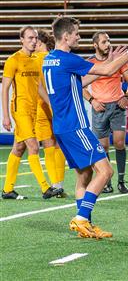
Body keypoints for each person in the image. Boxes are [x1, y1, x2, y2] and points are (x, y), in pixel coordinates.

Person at [42, 16, 128, 238]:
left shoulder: (49, 59)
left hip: (62, 127)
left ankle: (85, 225)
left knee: (84, 174)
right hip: (76, 126)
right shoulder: (66, 59)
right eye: (76, 34)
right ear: (66, 36)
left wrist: (113, 61)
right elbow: (108, 71)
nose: (78, 37)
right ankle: (81, 218)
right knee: (106, 171)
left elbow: (77, 83)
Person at [1, 26, 62, 200]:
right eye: (29, 38)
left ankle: (7, 190)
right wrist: (5, 115)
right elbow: (4, 89)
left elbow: (39, 87)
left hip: (33, 111)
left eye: (35, 38)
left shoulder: (36, 60)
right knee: (33, 146)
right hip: (20, 110)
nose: (33, 41)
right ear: (21, 39)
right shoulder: (13, 60)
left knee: (18, 148)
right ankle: (45, 188)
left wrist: (52, 106)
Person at [82, 31, 128, 194]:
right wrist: (92, 101)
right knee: (103, 146)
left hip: (117, 107)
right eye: (104, 42)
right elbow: (81, 85)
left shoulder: (118, 61)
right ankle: (106, 181)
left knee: (119, 142)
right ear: (95, 45)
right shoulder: (89, 63)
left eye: (109, 41)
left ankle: (121, 180)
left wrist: (126, 97)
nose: (108, 44)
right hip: (99, 108)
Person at [35, 29, 67, 197]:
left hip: (42, 107)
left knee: (48, 147)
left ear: (39, 43)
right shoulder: (55, 57)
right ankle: (59, 184)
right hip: (58, 104)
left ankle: (55, 185)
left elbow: (38, 86)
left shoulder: (37, 59)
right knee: (58, 145)